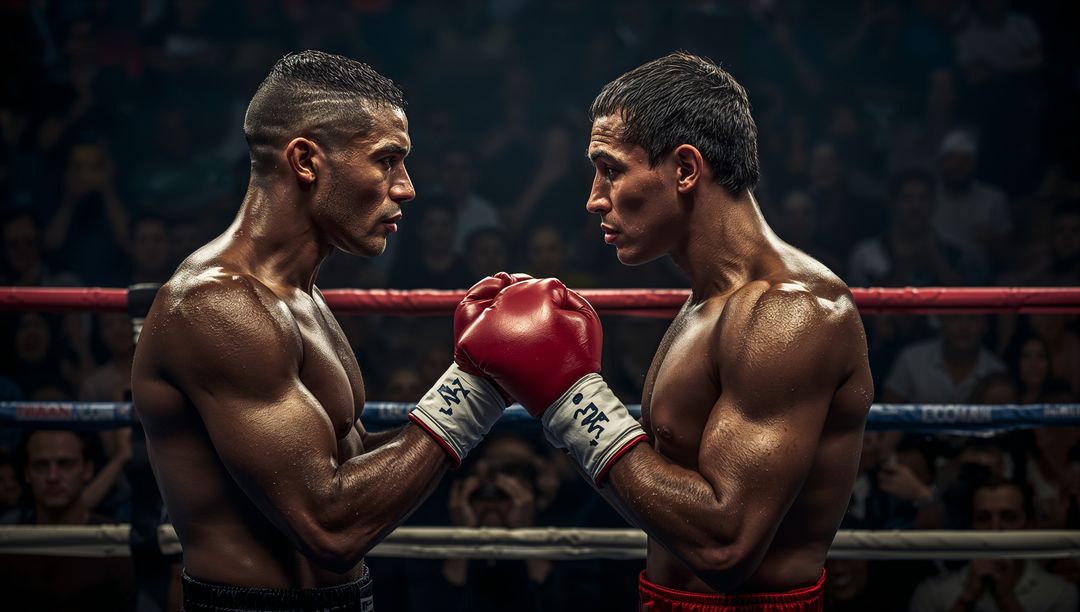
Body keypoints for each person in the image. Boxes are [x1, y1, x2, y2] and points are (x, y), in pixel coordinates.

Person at [455, 52, 873, 610]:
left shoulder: (787, 314)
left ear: (684, 169)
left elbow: (726, 547)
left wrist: (573, 401)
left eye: (611, 169)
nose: (594, 197)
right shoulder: (706, 305)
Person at [131, 51, 512, 611]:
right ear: (306, 160)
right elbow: (329, 527)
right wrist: (476, 392)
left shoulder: (299, 298)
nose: (406, 187)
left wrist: (476, 373)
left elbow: (343, 465)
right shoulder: (218, 305)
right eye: (387, 160)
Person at [908, 478, 1078, 611]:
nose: (995, 529)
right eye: (983, 518)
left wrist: (1007, 600)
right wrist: (967, 598)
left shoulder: (1059, 594)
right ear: (971, 526)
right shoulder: (932, 593)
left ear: (1030, 525)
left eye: (1008, 517)